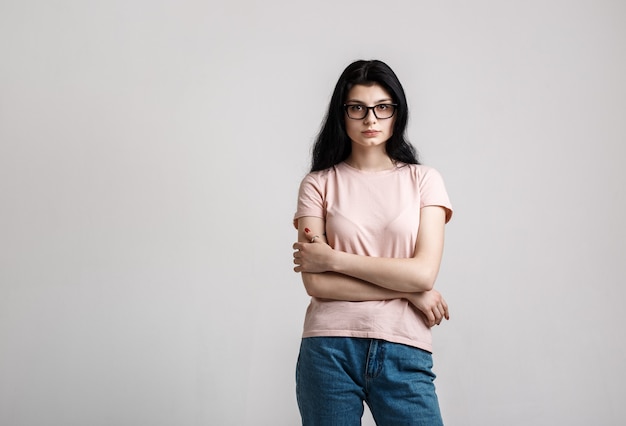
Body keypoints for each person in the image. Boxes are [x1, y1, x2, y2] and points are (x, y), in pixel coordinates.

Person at [292, 59, 453, 426]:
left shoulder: (424, 181)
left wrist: (332, 257)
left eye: (382, 107)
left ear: (397, 112)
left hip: (404, 348)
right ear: (341, 113)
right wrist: (408, 292)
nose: (370, 119)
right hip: (328, 347)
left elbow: (423, 274)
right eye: (357, 108)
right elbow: (316, 282)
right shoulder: (318, 184)